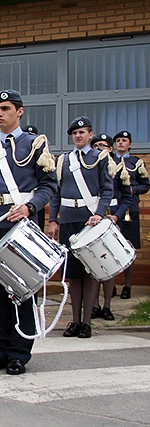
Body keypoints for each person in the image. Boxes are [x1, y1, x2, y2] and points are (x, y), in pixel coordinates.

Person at [0, 89, 57, 375]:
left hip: (22, 228)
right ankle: (1, 350)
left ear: (19, 111)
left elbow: (48, 186)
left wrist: (31, 207)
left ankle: (20, 352)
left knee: (22, 290)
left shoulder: (35, 145)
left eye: (5, 108)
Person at [48, 116, 113, 339]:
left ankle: (87, 322)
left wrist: (98, 213)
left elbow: (107, 189)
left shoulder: (99, 158)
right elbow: (56, 192)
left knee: (91, 270)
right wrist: (53, 220)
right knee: (73, 273)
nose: (78, 136)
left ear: (90, 134)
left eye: (82, 132)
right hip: (68, 219)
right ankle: (75, 320)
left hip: (90, 219)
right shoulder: (64, 160)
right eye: (75, 133)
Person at [89, 133, 131, 321]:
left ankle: (107, 305)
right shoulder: (89, 165)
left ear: (111, 149)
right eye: (96, 145)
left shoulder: (118, 167)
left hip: (111, 217)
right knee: (93, 263)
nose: (100, 149)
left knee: (109, 261)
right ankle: (94, 305)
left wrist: (117, 215)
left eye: (104, 146)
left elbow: (126, 197)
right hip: (93, 216)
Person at [113, 130, 150, 299]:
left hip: (130, 209)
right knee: (112, 248)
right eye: (118, 140)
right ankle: (110, 285)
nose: (121, 143)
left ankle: (127, 286)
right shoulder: (109, 161)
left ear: (130, 144)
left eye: (124, 141)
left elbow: (145, 185)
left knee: (129, 247)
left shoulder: (136, 163)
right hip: (113, 209)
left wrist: (133, 190)